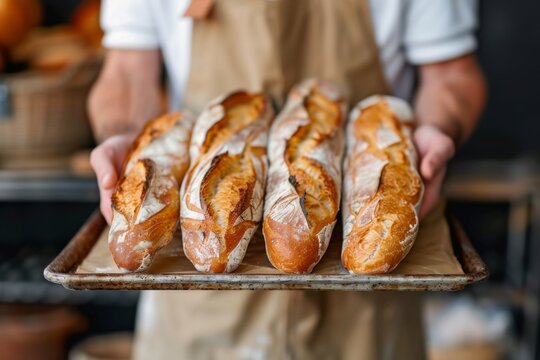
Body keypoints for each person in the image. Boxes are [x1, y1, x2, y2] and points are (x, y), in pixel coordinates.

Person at [89, 0, 487, 359]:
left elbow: (452, 77)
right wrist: (127, 138)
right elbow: (125, 72)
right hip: (197, 292)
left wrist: (437, 130)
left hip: (365, 312)